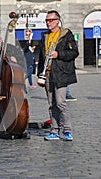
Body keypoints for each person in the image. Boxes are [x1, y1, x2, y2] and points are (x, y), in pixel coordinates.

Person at [37, 10, 79, 141]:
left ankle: (67, 130)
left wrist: (58, 54)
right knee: (51, 104)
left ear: (57, 21)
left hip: (61, 73)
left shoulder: (66, 34)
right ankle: (54, 131)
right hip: (47, 74)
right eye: (46, 21)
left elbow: (74, 53)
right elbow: (41, 55)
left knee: (60, 103)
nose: (48, 23)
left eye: (50, 20)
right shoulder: (44, 36)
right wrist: (40, 72)